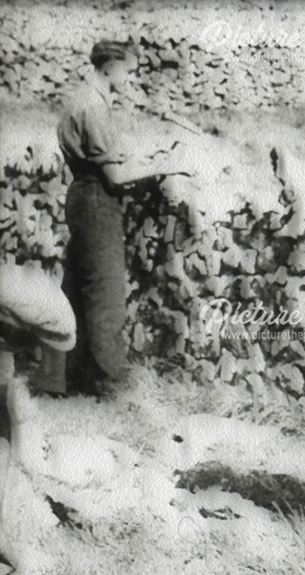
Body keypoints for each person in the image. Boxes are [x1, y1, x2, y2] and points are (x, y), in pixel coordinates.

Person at [35, 40, 190, 397]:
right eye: (129, 71)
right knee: (106, 297)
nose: (131, 80)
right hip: (97, 201)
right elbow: (116, 177)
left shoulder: (82, 99)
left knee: (75, 292)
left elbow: (108, 160)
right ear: (109, 67)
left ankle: (63, 380)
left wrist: (146, 158)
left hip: (83, 194)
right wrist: (165, 165)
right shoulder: (93, 107)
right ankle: (109, 387)